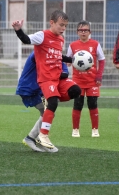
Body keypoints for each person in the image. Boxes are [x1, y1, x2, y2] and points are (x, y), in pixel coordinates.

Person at [12, 10, 81, 149]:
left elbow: (58, 56)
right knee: (51, 106)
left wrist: (74, 60)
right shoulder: (42, 36)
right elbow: (26, 40)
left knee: (75, 90)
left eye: (65, 26)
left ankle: (33, 137)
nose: (63, 28)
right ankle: (39, 136)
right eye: (61, 25)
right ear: (52, 22)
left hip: (54, 80)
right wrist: (18, 30)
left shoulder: (60, 39)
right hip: (40, 83)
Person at [17, 51, 70, 153]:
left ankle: (35, 138)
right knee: (47, 112)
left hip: (41, 89)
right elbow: (44, 67)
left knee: (49, 113)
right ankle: (34, 138)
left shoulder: (58, 58)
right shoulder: (37, 53)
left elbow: (65, 73)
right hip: (29, 88)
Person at [66, 20, 105, 138]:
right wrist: (66, 69)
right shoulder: (72, 45)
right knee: (78, 104)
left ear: (90, 32)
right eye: (81, 30)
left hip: (93, 81)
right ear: (77, 32)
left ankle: (95, 130)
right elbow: (67, 61)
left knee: (93, 104)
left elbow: (102, 60)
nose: (83, 32)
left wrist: (99, 76)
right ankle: (75, 130)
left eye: (85, 30)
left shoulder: (95, 44)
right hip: (77, 81)